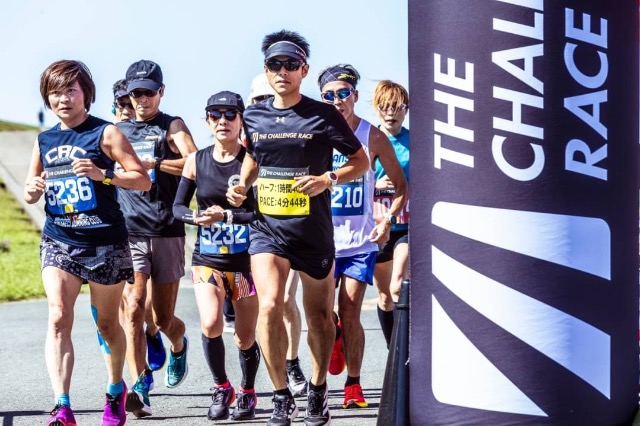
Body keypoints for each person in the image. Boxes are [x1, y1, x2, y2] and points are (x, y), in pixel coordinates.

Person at [227, 30, 369, 426]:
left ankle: (319, 390)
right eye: (275, 64)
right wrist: (242, 186)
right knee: (270, 304)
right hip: (268, 228)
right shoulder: (253, 116)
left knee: (320, 315)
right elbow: (253, 158)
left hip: (312, 230)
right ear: (266, 70)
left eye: (291, 64)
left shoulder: (323, 115)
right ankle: (280, 395)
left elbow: (360, 162)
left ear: (304, 70)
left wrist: (328, 179)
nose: (283, 71)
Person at [24, 59, 151, 426]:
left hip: (105, 243)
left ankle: (115, 390)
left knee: (107, 325)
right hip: (60, 240)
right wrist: (33, 189)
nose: (63, 99)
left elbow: (142, 180)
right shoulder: (44, 140)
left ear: (85, 94)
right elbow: (32, 189)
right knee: (58, 316)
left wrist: (104, 175)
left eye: (70, 90)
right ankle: (62, 406)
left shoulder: (106, 134)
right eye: (55, 93)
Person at [318, 64, 407, 409]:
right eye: (329, 95)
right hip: (322, 242)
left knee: (351, 310)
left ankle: (353, 385)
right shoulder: (315, 135)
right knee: (322, 315)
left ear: (354, 95)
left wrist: (388, 221)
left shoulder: (373, 136)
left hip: (360, 243)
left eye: (343, 93)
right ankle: (335, 335)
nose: (337, 100)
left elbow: (401, 186)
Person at [173, 91, 262, 421]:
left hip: (245, 263)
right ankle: (221, 387)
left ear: (241, 120)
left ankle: (248, 391)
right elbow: (178, 207)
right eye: (214, 115)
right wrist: (195, 218)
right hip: (207, 259)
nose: (222, 121)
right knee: (211, 323)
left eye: (229, 114)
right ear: (207, 120)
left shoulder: (251, 162)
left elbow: (260, 215)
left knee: (245, 336)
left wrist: (225, 216)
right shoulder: (196, 160)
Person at [116, 59, 198, 418]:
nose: (142, 99)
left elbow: (195, 161)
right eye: (136, 93)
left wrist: (158, 164)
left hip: (166, 229)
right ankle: (140, 386)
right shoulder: (117, 131)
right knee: (134, 306)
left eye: (148, 92)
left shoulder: (171, 126)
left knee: (163, 319)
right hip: (129, 230)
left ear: (161, 92)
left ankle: (178, 344)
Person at [249, 72, 309, 398]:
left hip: (296, 226)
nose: (264, 105)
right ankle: (273, 380)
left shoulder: (295, 130)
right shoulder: (248, 133)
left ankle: (292, 360)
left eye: (266, 98)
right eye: (258, 100)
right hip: (261, 231)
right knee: (269, 303)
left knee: (286, 299)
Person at [371, 80, 411, 347]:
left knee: (397, 286)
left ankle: (402, 351)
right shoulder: (368, 140)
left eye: (397, 107)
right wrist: (375, 185)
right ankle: (392, 351)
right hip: (376, 227)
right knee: (385, 296)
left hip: (406, 225)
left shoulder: (415, 141)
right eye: (384, 107)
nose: (390, 113)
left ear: (406, 110)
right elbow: (352, 179)